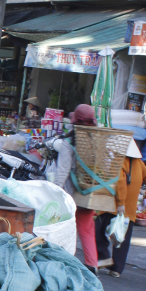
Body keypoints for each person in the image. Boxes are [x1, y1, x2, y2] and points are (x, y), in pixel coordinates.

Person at [95, 140, 146, 278]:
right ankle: (116, 269)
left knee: (99, 230)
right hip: (129, 209)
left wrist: (121, 202)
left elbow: (120, 182)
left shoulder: (119, 161)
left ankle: (103, 257)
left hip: (112, 205)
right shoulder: (140, 164)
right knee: (122, 239)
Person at [50, 104, 100, 273]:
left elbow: (63, 171)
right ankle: (92, 265)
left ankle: (64, 263)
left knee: (63, 228)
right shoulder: (100, 140)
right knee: (86, 230)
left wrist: (54, 192)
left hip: (70, 194)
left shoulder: (68, 142)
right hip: (91, 193)